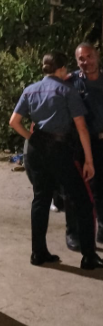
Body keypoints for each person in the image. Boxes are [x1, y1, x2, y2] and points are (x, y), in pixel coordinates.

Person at [9, 51, 103, 270]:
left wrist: (31, 137)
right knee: (83, 201)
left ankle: (38, 252)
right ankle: (88, 256)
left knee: (41, 199)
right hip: (59, 149)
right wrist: (89, 160)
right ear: (61, 69)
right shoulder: (67, 91)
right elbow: (81, 127)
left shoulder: (30, 90)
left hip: (37, 149)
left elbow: (14, 121)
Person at [62, 42, 103, 251]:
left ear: (97, 56)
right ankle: (73, 233)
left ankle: (102, 228)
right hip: (80, 144)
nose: (86, 62)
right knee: (77, 189)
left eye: (89, 56)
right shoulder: (71, 82)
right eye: (81, 59)